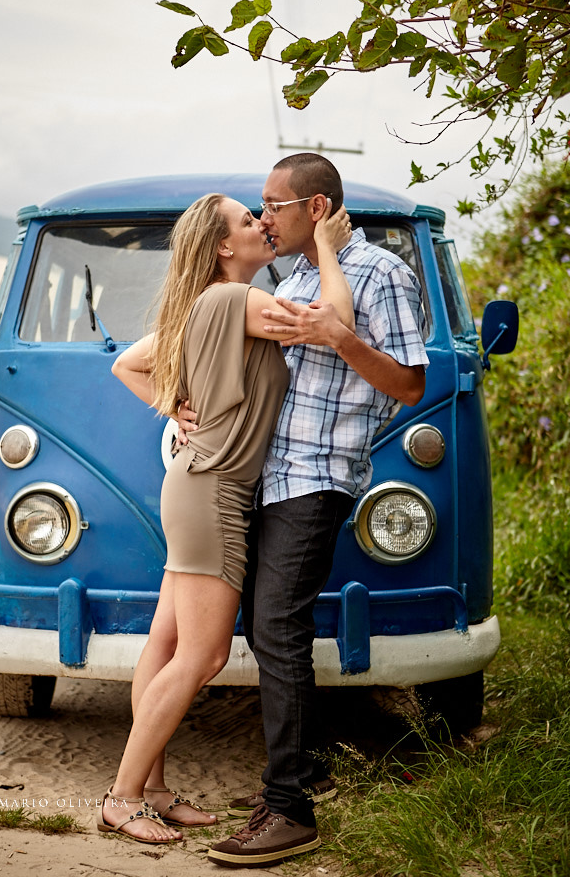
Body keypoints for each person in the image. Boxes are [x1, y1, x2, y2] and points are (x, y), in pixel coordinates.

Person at [178, 155, 429, 868]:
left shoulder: (382, 273)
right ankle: (304, 771)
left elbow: (410, 386)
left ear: (315, 208)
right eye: (257, 207)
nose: (263, 219)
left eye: (273, 205)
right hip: (272, 476)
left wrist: (341, 338)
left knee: (276, 627)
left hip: (319, 477)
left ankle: (290, 808)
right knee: (268, 629)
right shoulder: (297, 277)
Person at [99, 190, 355, 845]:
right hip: (213, 493)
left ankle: (151, 788)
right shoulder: (238, 301)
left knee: (167, 644)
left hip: (200, 486)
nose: (262, 225)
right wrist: (325, 246)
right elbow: (333, 321)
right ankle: (124, 797)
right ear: (221, 246)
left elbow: (128, 363)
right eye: (248, 221)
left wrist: (172, 405)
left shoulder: (203, 306)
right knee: (205, 654)